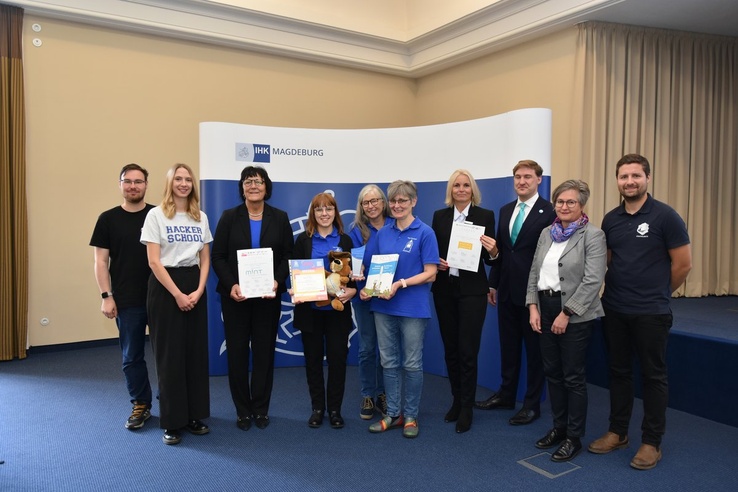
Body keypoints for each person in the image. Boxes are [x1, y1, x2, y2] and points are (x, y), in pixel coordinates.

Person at [588, 154, 692, 470]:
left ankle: (651, 442)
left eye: (636, 176)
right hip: (615, 309)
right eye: (624, 177)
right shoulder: (610, 219)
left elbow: (683, 264)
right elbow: (607, 261)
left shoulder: (666, 217)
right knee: (618, 373)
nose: (629, 182)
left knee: (653, 377)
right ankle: (618, 432)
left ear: (647, 177)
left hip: (652, 313)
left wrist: (657, 293)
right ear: (617, 181)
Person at [526, 180, 606, 461]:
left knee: (573, 377)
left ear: (582, 205)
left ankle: (574, 437)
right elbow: (534, 271)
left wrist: (567, 313)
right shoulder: (547, 232)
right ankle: (558, 429)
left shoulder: (593, 236)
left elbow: (593, 280)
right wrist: (533, 306)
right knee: (553, 373)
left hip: (575, 314)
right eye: (560, 201)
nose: (564, 206)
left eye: (570, 202)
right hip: (544, 309)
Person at [211, 166, 294, 431]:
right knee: (236, 353)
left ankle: (260, 408)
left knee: (263, 354)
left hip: (268, 298)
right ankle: (242, 410)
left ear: (266, 187)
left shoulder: (280, 218)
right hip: (236, 297)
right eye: (248, 181)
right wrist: (231, 284)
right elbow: (218, 257)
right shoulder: (228, 217)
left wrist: (277, 281)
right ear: (242, 187)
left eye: (258, 181)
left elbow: (287, 258)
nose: (253, 185)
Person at [476, 159, 556, 425]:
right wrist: (493, 283)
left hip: (535, 295)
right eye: (518, 177)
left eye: (527, 177)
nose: (522, 182)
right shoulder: (506, 209)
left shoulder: (551, 212)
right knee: (508, 348)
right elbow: (502, 251)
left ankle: (532, 404)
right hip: (507, 291)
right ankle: (506, 395)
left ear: (538, 180)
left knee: (535, 353)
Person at [140, 163, 213, 445]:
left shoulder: (200, 216)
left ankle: (195, 415)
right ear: (170, 183)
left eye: (188, 179)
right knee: (170, 357)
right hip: (165, 287)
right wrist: (178, 294)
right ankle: (172, 421)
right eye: (178, 179)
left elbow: (205, 258)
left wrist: (198, 289)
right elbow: (154, 261)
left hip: (194, 284)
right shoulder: (155, 215)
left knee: (195, 354)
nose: (184, 183)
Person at [361, 180, 439, 439]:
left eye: (402, 201)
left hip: (413, 308)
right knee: (389, 362)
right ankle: (393, 414)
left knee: (412, 364)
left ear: (413, 202)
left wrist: (401, 283)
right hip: (382, 306)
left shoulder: (425, 232)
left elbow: (431, 273)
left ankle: (411, 416)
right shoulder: (383, 233)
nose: (396, 205)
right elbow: (370, 266)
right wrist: (365, 287)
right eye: (393, 201)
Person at [90, 163, 155, 430]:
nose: (133, 186)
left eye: (138, 181)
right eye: (127, 181)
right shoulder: (108, 219)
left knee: (169, 355)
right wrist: (107, 296)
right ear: (120, 185)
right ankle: (141, 404)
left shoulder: (158, 215)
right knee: (132, 356)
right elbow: (100, 262)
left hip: (161, 297)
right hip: (127, 300)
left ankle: (174, 405)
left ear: (146, 185)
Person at [431, 170, 496, 433]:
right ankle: (456, 400)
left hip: (472, 292)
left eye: (465, 185)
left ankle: (467, 407)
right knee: (451, 350)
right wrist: (437, 261)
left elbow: (492, 259)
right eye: (456, 185)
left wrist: (493, 251)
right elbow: (432, 253)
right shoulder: (440, 216)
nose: (461, 189)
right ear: (451, 190)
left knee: (468, 351)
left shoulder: (485, 216)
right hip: (445, 290)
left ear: (472, 189)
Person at [292, 193, 357, 429]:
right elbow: (294, 273)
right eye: (319, 209)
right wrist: (295, 289)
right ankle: (318, 408)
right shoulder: (303, 241)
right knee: (313, 361)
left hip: (337, 312)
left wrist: (353, 290)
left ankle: (335, 409)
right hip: (310, 312)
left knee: (338, 361)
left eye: (329, 208)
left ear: (335, 212)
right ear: (313, 214)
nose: (324, 213)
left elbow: (353, 277)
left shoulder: (346, 240)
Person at [348, 184, 390, 420]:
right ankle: (367, 394)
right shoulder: (356, 231)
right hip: (364, 297)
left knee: (387, 349)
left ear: (383, 203)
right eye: (366, 202)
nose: (371, 206)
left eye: (375, 201)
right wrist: (357, 270)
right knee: (367, 348)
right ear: (361, 207)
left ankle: (383, 393)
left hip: (389, 297)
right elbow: (352, 263)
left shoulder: (395, 226)